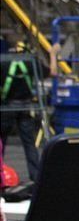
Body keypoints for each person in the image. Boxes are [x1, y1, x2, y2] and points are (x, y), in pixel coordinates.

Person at [0, 38, 59, 183]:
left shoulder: (4, 62)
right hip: (26, 107)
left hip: (7, 107)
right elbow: (53, 72)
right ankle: (36, 176)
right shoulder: (31, 62)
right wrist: (52, 54)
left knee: (1, 143)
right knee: (29, 143)